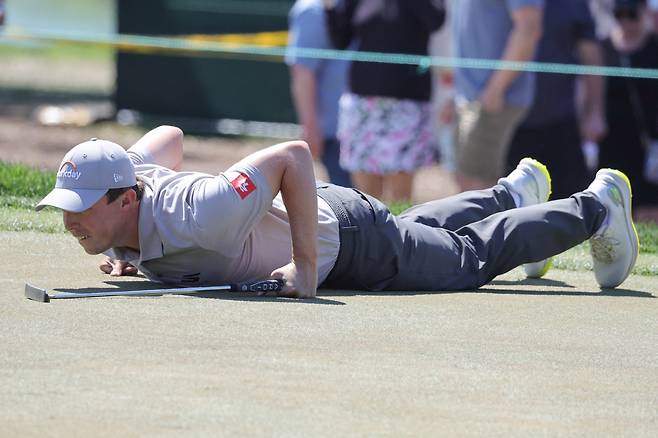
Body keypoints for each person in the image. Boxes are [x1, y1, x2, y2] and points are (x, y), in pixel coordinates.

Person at [35, 125, 639, 298]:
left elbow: (292, 155)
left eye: (82, 208)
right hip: (340, 218)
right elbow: (166, 136)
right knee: (420, 229)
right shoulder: (132, 192)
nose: (71, 221)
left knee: (465, 259)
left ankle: (595, 206)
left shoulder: (199, 212)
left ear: (126, 198)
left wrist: (304, 269)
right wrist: (122, 245)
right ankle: (515, 194)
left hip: (347, 242)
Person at [323, 0, 445, 202]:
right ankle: (370, 234)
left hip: (407, 104)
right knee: (366, 199)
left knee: (400, 199)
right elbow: (340, 40)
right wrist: (328, 7)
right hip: (363, 104)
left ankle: (397, 234)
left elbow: (435, 21)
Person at [506, 0, 606, 200]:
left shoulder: (574, 4)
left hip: (561, 121)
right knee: (509, 207)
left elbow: (591, 56)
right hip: (507, 122)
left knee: (572, 207)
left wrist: (595, 111)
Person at [451, 0, 544, 191]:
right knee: (466, 182)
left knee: (478, 188)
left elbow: (529, 28)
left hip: (493, 99)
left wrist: (495, 89)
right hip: (472, 97)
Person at [599, 0, 658, 223]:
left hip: (649, 146)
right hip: (610, 142)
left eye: (631, 14)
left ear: (643, 12)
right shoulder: (602, 47)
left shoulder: (654, 46)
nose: (625, 21)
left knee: (648, 208)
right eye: (618, 14)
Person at [285, 0, 352, 187]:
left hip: (362, 128)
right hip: (334, 131)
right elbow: (303, 71)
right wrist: (310, 126)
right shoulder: (313, 9)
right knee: (354, 204)